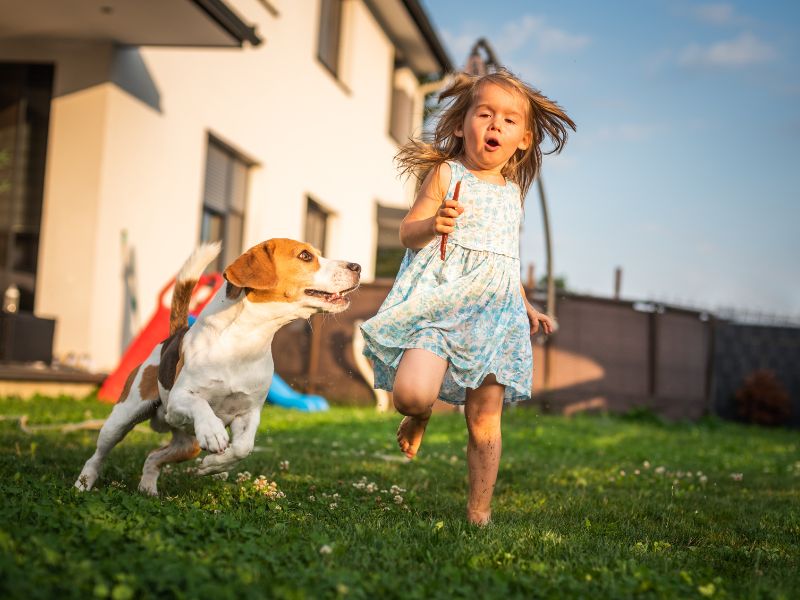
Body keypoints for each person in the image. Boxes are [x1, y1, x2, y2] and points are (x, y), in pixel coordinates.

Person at [360, 68, 575, 525]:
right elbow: (406, 233)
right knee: (412, 393)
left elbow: (503, 260)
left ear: (524, 139)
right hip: (440, 303)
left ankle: (479, 512)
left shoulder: (514, 192)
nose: (496, 125)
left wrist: (526, 303)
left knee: (484, 421)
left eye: (509, 120)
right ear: (462, 124)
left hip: (495, 315)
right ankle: (418, 417)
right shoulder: (446, 173)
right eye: (485, 114)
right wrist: (433, 222)